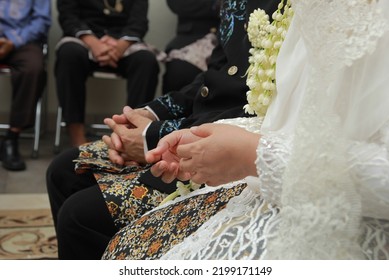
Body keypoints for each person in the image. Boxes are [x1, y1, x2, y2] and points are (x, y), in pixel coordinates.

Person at [101, 0, 389, 260]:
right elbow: (282, 115)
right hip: (273, 184)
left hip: (336, 218)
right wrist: (189, 139)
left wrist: (251, 154)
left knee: (92, 221)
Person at [46, 0, 281, 260]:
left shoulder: (288, 12)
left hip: (222, 155)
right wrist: (147, 114)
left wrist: (150, 137)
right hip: (190, 129)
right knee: (64, 169)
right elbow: (213, 77)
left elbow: (251, 110)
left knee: (79, 217)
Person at [54, 0, 160, 146]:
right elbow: (68, 16)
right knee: (68, 55)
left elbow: (139, 21)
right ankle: (76, 135)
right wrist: (94, 43)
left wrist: (119, 46)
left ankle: (132, 134)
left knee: (146, 61)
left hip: (124, 43)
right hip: (84, 39)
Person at [0, 0, 51, 171]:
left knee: (33, 69)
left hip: (23, 40)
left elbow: (42, 20)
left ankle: (11, 138)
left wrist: (13, 41)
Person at [161, 0, 220, 93]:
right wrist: (216, 4)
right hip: (192, 34)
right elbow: (176, 3)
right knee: (180, 71)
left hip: (234, 34)